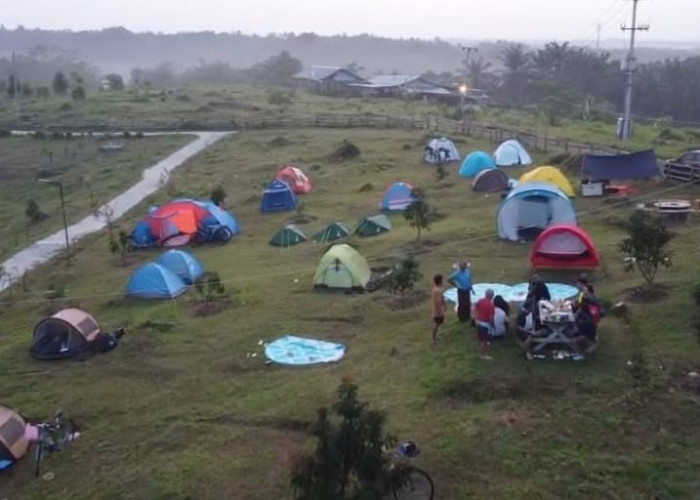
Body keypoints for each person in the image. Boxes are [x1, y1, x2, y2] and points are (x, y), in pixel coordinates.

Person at [474, 288, 495, 360]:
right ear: (491, 296)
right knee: (484, 340)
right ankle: (483, 355)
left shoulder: (480, 301)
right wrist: (493, 325)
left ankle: (481, 352)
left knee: (480, 339)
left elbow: (475, 307)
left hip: (478, 322)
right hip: (485, 324)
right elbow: (491, 318)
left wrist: (476, 317)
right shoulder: (491, 305)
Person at [431, 274, 446, 345]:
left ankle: (435, 337)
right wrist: (441, 311)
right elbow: (438, 302)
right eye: (442, 280)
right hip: (438, 311)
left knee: (438, 324)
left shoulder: (437, 289)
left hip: (438, 310)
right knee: (436, 324)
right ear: (440, 281)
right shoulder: (437, 291)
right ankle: (434, 340)